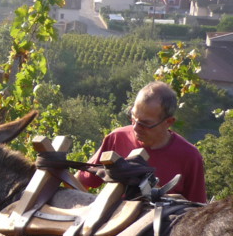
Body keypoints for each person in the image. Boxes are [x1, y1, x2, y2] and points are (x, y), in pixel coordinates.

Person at [76, 81, 206, 203]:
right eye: (133, 118)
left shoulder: (189, 156)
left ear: (168, 122)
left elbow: (198, 213)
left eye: (145, 123)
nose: (135, 127)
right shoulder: (116, 138)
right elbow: (80, 182)